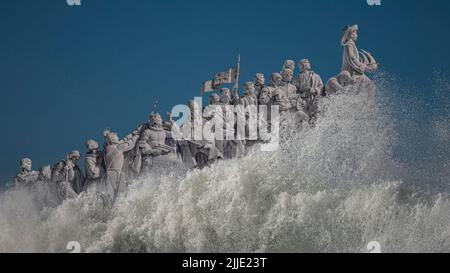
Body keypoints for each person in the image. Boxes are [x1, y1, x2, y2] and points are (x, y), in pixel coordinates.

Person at [102, 129, 140, 203]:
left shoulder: (108, 149)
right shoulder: (118, 147)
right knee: (121, 196)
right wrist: (136, 136)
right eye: (116, 137)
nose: (118, 138)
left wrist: (132, 133)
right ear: (113, 140)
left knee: (111, 197)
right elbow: (129, 144)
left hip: (108, 174)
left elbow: (123, 140)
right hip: (117, 174)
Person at [341, 25, 377, 96]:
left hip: (355, 70)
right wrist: (362, 66)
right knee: (369, 84)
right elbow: (352, 57)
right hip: (352, 72)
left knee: (369, 85)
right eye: (356, 33)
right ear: (351, 35)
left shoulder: (351, 44)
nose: (357, 35)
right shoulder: (349, 44)